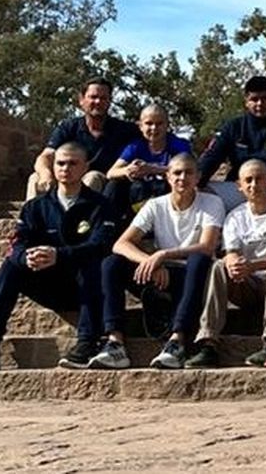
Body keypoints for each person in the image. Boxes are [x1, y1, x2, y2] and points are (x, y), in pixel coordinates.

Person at [0, 143, 118, 372]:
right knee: (11, 265)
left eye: (72, 163)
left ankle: (87, 342)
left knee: (93, 263)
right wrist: (25, 258)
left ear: (85, 167)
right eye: (60, 163)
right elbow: (17, 243)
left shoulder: (100, 206)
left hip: (85, 288)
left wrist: (59, 255)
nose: (65, 168)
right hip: (48, 282)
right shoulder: (35, 207)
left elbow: (101, 245)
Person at [89, 154, 223, 370]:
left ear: (198, 177)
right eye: (177, 173)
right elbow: (121, 244)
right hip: (159, 273)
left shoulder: (211, 202)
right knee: (111, 263)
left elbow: (207, 246)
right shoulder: (155, 205)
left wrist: (163, 255)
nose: (182, 178)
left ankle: (177, 341)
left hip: (191, 275)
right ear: (168, 177)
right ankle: (115, 342)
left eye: (189, 172)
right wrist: (151, 261)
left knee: (200, 259)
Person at [187, 159, 266, 368]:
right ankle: (208, 343)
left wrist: (252, 266)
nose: (253, 185)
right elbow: (232, 253)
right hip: (248, 287)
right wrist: (232, 261)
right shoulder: (235, 216)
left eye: (259, 179)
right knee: (219, 266)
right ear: (239, 186)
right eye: (248, 180)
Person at [197, 75, 266, 211]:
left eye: (265, 98)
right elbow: (213, 156)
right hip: (239, 187)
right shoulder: (233, 127)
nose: (260, 103)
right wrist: (196, 181)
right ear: (246, 102)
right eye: (254, 99)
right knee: (196, 192)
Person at [27, 77, 140, 200]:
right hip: (68, 178)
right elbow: (46, 156)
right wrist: (45, 174)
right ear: (82, 100)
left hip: (100, 184)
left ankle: (78, 217)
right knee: (35, 178)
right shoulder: (68, 127)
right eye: (93, 97)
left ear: (109, 101)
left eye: (103, 98)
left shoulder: (124, 130)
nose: (98, 102)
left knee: (93, 177)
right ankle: (30, 218)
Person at [104, 102, 191, 218]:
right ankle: (108, 223)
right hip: (138, 199)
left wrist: (152, 169)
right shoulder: (135, 146)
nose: (154, 128)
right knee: (114, 185)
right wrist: (127, 170)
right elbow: (111, 173)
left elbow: (188, 169)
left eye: (159, 124)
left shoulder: (179, 145)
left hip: (167, 198)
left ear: (167, 125)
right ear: (140, 126)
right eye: (149, 124)